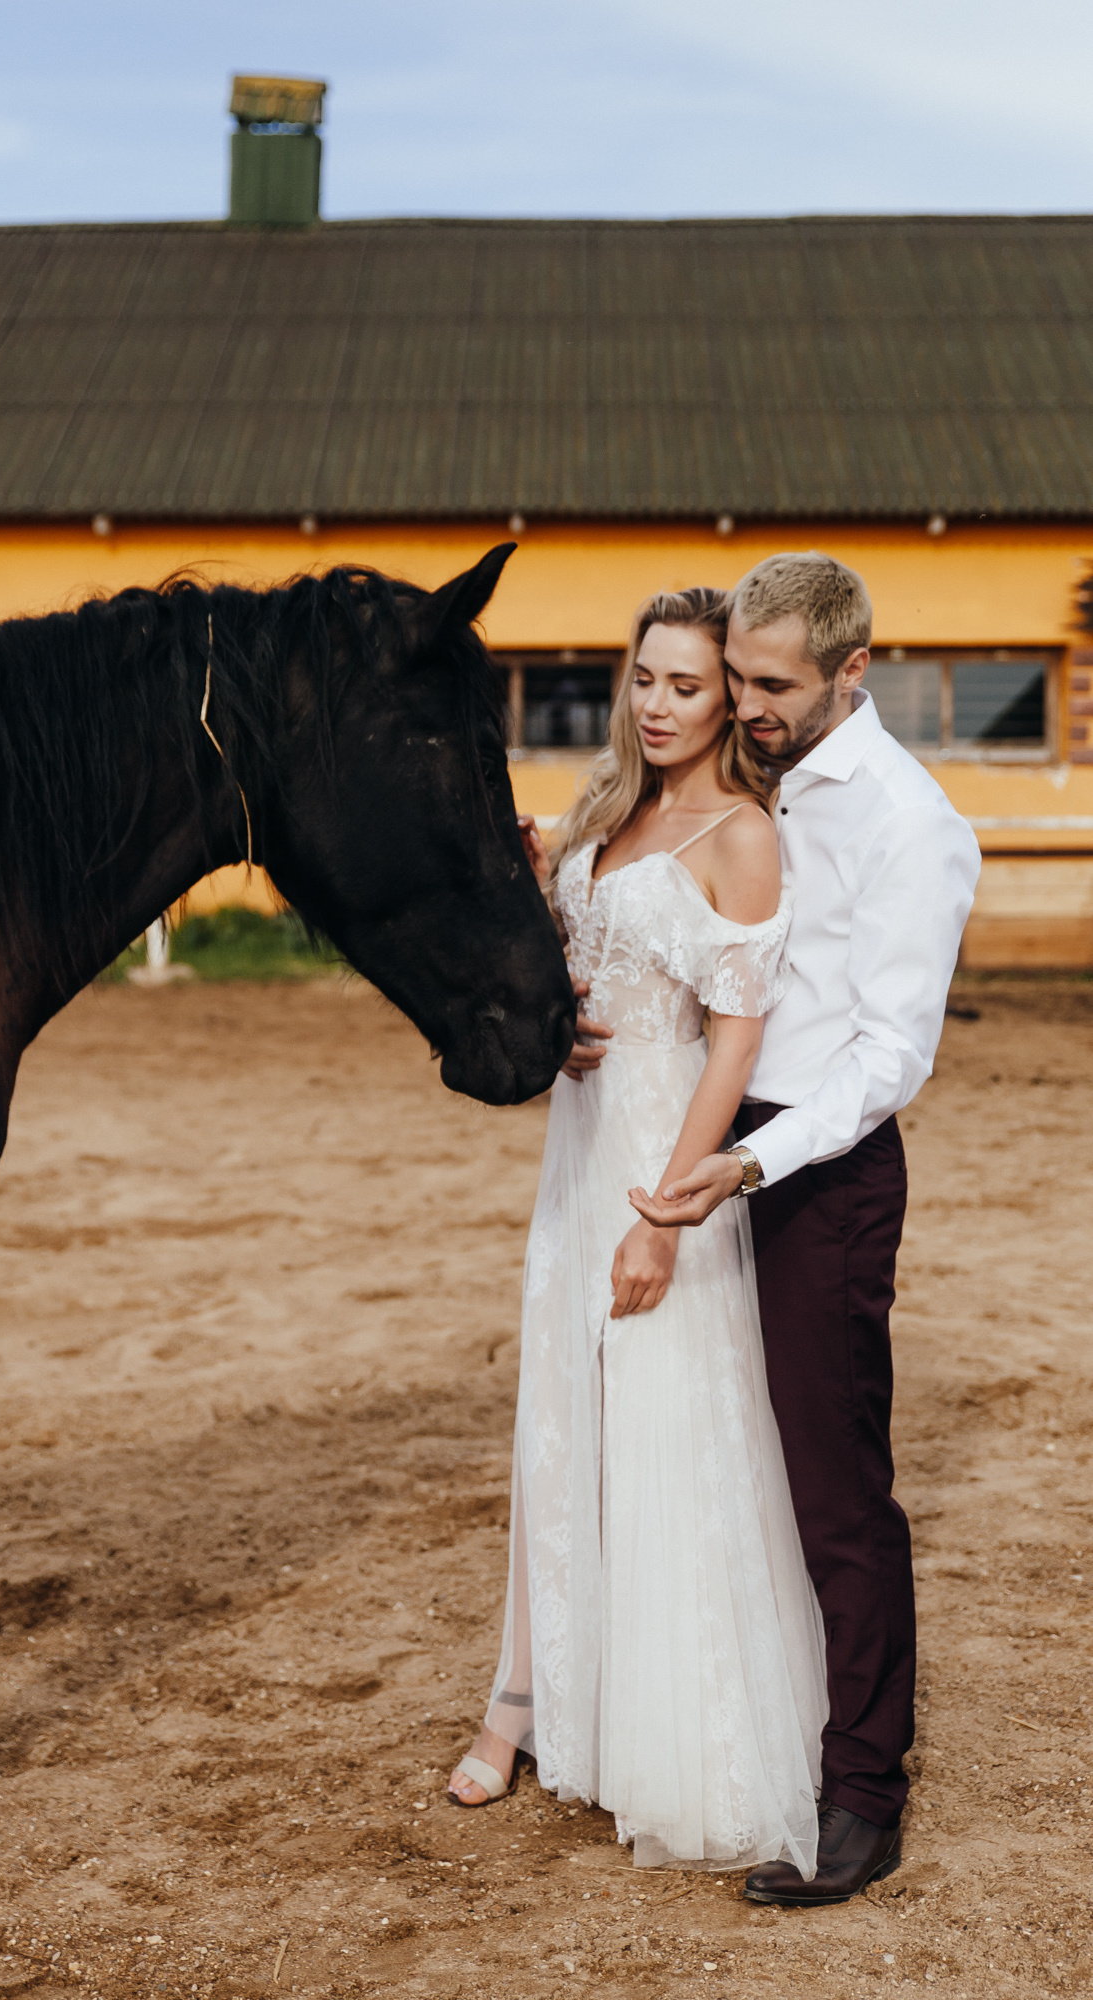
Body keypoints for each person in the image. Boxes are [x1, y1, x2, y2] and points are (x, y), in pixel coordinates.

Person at [447, 586, 830, 1883]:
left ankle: (672, 1736)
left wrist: (667, 1216)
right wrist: (552, 995)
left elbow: (734, 1043)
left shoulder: (742, 834)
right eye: (645, 679)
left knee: (663, 1427)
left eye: (687, 685)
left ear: (728, 699)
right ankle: (522, 1699)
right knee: (559, 1422)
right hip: (574, 1158)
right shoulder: (607, 813)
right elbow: (576, 971)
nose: (658, 706)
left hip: (660, 1164)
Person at [629, 552, 980, 1906]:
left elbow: (890, 1056)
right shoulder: (746, 774)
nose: (747, 703)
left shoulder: (909, 823)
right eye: (738, 678)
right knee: (713, 1453)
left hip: (815, 1173)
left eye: (774, 684)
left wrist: (749, 1163)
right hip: (712, 1133)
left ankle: (864, 1793)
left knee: (835, 1490)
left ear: (853, 671)